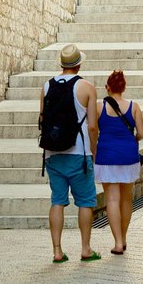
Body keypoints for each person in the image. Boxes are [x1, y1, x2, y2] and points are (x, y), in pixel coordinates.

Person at [41, 44, 101, 263]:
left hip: (52, 153)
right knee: (85, 202)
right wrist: (94, 151)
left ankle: (57, 251)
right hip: (79, 153)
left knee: (57, 200)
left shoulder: (46, 86)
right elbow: (92, 126)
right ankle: (85, 249)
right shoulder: (87, 87)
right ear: (79, 64)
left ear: (62, 64)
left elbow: (42, 118)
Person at [94, 70, 143, 255]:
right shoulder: (134, 107)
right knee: (126, 198)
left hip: (106, 156)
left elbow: (93, 129)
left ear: (107, 87)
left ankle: (116, 242)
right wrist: (133, 140)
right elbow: (141, 132)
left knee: (112, 199)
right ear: (124, 88)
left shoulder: (99, 107)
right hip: (128, 157)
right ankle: (123, 238)